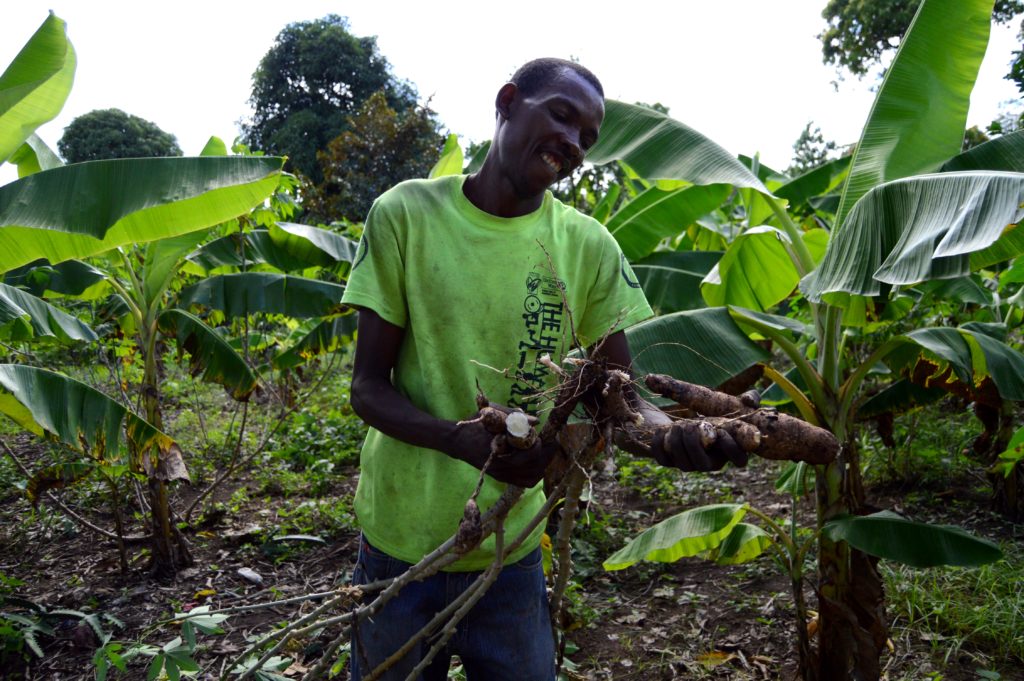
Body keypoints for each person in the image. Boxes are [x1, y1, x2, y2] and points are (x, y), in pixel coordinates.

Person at [341, 57, 746, 681]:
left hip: (514, 553)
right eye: (562, 115)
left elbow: (623, 393)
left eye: (588, 137)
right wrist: (458, 439)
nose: (575, 143)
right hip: (401, 547)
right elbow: (366, 389)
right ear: (507, 102)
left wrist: (676, 436)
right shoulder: (406, 215)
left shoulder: (588, 246)